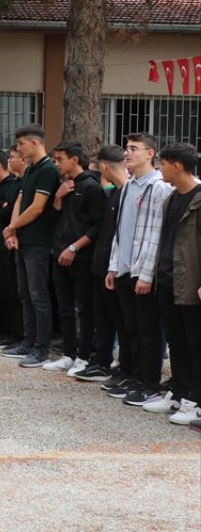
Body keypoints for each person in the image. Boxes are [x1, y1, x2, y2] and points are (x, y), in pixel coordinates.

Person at [104, 133, 173, 408]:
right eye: (126, 148)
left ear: (150, 153)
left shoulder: (159, 187)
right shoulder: (129, 185)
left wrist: (145, 274)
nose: (127, 153)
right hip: (124, 268)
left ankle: (150, 384)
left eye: (133, 148)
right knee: (129, 327)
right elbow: (121, 232)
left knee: (148, 331)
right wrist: (113, 265)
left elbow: (156, 235)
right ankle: (132, 374)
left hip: (144, 272)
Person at [148, 143, 200, 425]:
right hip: (168, 279)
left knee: (195, 343)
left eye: (163, 164)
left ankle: (196, 400)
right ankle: (179, 393)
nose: (160, 169)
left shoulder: (199, 198)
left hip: (190, 284)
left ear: (177, 166)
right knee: (177, 341)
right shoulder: (171, 199)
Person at [2, 124, 60, 369]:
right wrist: (13, 228)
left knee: (39, 296)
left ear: (35, 143)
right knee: (25, 294)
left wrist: (11, 226)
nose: (18, 149)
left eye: (22, 144)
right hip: (24, 239)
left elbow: (37, 207)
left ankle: (41, 348)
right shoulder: (30, 170)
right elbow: (20, 199)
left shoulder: (48, 170)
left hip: (39, 242)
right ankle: (28, 340)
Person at [48, 141, 105, 376]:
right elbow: (56, 219)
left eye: (60, 159)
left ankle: (84, 355)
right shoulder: (65, 185)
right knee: (64, 308)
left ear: (74, 159)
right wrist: (58, 199)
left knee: (84, 308)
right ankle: (69, 354)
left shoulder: (91, 186)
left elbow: (97, 226)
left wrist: (73, 248)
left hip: (81, 258)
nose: (56, 164)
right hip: (59, 254)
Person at [78, 145, 129, 384]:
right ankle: (101, 361)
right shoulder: (114, 193)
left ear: (105, 167)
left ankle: (124, 367)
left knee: (120, 321)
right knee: (103, 318)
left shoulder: (127, 192)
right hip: (102, 265)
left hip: (117, 267)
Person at [0, 148, 24, 351]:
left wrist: (0, 207)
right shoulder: (0, 186)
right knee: (2, 291)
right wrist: (0, 206)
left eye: (13, 157)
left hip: (10, 244)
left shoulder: (15, 185)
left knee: (13, 292)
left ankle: (16, 333)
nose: (11, 160)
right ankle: (6, 328)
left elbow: (5, 212)